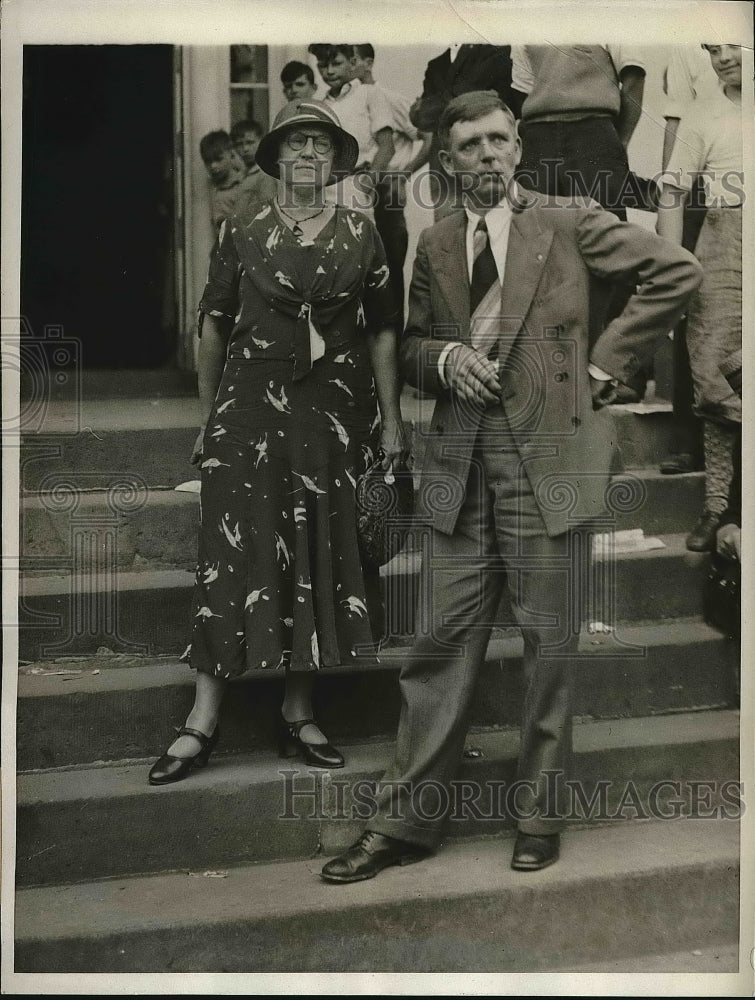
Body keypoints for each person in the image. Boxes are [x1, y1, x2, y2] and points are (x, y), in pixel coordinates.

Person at [321, 91, 702, 882]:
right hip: (460, 466)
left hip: (550, 464)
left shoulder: (567, 219)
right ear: (450, 161)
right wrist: (442, 362)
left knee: (547, 649)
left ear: (518, 146)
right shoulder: (434, 242)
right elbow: (415, 341)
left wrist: (605, 366)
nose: (488, 154)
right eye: (470, 145)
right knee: (439, 649)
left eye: (499, 139)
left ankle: (538, 816)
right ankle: (405, 826)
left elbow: (673, 270)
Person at [149, 100, 406, 785]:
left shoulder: (361, 231)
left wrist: (393, 417)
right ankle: (201, 718)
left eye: (321, 145)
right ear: (276, 157)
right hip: (248, 411)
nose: (307, 155)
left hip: (331, 414)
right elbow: (213, 323)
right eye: (296, 144)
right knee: (230, 549)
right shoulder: (243, 227)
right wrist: (208, 418)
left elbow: (383, 326)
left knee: (318, 548)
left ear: (335, 159)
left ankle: (298, 707)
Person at [512, 44, 649, 401]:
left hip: (594, 131)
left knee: (611, 252)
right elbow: (523, 91)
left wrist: (612, 145)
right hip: (538, 137)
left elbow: (632, 81)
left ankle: (621, 373)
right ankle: (543, 368)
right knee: (533, 244)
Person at [656, 43, 743, 552]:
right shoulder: (703, 113)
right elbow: (672, 192)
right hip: (722, 241)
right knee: (713, 372)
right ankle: (717, 507)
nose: (723, 57)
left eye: (733, 45)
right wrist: (672, 270)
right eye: (712, 49)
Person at [351, 43, 433, 314]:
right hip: (357, 190)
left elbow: (428, 136)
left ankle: (395, 345)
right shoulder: (349, 104)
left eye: (354, 59)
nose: (349, 67)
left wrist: (405, 171)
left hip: (386, 191)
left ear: (368, 62)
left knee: (388, 268)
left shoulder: (387, 98)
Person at [409, 44, 522, 218]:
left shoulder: (498, 52)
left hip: (484, 163)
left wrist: (432, 106)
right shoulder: (435, 65)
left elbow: (506, 104)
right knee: (445, 229)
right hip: (443, 165)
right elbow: (424, 117)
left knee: (492, 221)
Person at [320, 44, 395, 219]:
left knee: (357, 240)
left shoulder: (368, 93)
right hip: (324, 188)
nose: (329, 71)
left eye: (336, 64)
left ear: (352, 62)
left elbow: (387, 147)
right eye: (323, 65)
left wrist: (366, 185)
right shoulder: (321, 104)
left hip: (356, 184)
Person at [199, 129, 248, 233]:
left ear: (231, 154)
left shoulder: (243, 185)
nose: (213, 166)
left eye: (218, 159)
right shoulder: (209, 186)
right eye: (208, 161)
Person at [230, 118, 277, 209]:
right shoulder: (241, 174)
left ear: (262, 142)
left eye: (250, 142)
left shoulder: (264, 174)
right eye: (239, 144)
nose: (245, 149)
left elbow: (267, 211)